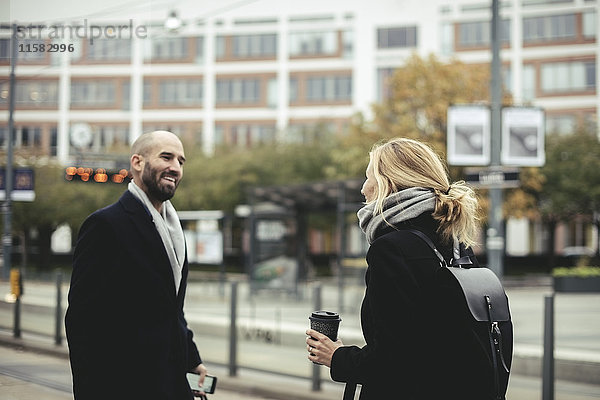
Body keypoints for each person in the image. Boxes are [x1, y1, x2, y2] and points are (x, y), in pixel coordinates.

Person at [306, 137, 482, 399]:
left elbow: (394, 359)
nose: (364, 189)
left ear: (388, 184)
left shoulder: (392, 249)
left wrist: (337, 357)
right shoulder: (456, 246)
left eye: (369, 178)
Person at [65, 131, 208, 400]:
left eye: (181, 161)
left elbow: (171, 310)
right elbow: (82, 322)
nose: (175, 167)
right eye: (166, 157)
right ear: (137, 162)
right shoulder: (105, 225)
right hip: (125, 385)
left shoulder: (173, 230)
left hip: (170, 382)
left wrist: (191, 359)